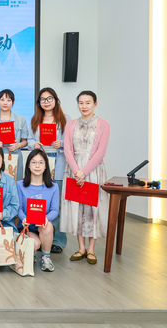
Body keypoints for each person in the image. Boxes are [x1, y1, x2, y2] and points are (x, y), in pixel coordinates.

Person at [61, 91, 110, 265]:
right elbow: (67, 150)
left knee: (92, 209)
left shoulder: (104, 124)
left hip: (94, 171)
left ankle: (91, 249)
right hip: (74, 170)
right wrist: (77, 171)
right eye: (81, 103)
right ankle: (81, 248)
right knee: (77, 208)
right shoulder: (70, 124)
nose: (84, 106)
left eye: (88, 102)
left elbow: (100, 152)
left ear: (95, 104)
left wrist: (84, 172)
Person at [27, 87, 69, 254]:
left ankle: (57, 240)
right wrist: (34, 144)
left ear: (56, 100)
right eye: (43, 99)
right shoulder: (35, 120)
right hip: (40, 165)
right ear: (39, 103)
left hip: (58, 164)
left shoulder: (65, 120)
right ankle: (41, 237)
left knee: (56, 204)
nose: (46, 102)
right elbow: (29, 140)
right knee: (39, 201)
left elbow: (71, 142)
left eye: (49, 98)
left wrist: (62, 143)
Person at [17, 149, 60, 272]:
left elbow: (55, 210)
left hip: (43, 225)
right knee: (34, 244)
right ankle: (32, 252)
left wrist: (46, 219)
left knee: (47, 226)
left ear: (46, 166)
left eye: (41, 162)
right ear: (28, 165)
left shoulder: (53, 187)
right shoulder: (20, 185)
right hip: (26, 226)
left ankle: (46, 257)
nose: (37, 166)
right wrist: (24, 218)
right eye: (34, 162)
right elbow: (18, 208)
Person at [0, 89, 28, 181]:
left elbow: (25, 141)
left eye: (8, 100)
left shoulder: (21, 120)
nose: (5, 103)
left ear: (13, 102)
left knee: (15, 182)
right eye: (2, 100)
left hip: (15, 155)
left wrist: (18, 145)